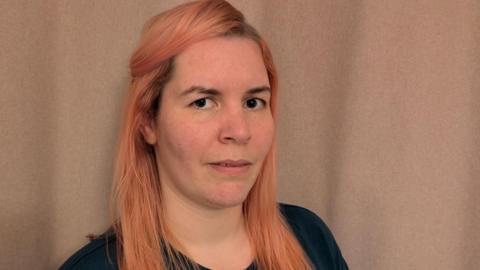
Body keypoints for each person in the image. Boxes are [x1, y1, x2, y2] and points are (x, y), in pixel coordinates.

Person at [59, 0, 349, 269]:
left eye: (253, 102)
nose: (239, 131)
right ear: (148, 122)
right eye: (203, 102)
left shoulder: (310, 240)